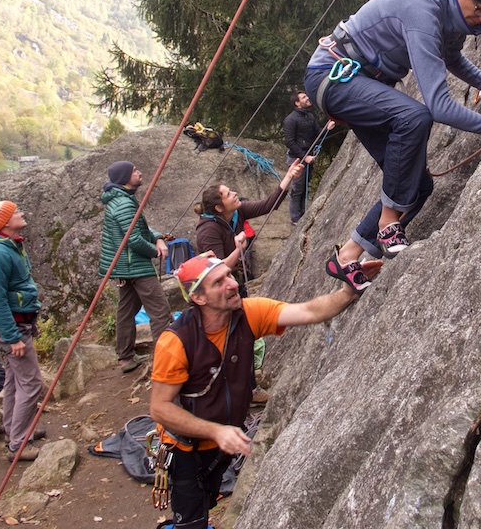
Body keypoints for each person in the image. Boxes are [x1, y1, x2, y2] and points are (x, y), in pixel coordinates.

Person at [304, 0, 481, 293]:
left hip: (363, 83)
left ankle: (347, 257)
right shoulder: (423, 9)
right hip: (332, 76)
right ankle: (388, 223)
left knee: (417, 185)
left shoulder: (456, 11)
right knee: (415, 117)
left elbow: (452, 57)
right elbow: (438, 106)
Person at [150, 252, 381, 529]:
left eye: (229, 275)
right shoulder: (176, 341)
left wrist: (349, 290)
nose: (233, 284)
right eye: (218, 282)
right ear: (198, 298)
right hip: (187, 447)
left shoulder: (248, 314)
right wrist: (216, 431)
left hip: (224, 442)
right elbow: (160, 407)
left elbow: (308, 311)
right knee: (191, 520)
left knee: (206, 503)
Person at [0, 201, 44, 461]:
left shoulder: (10, 246)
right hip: (12, 328)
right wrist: (12, 337)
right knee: (31, 383)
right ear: (4, 223)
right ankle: (19, 444)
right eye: (16, 213)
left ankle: (16, 432)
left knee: (14, 382)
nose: (22, 213)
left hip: (18, 324)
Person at [99, 160, 172, 373]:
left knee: (127, 309)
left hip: (125, 265)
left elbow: (139, 227)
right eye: (134, 171)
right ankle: (166, 359)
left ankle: (126, 357)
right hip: (134, 265)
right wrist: (156, 250)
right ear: (125, 178)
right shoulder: (124, 203)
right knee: (160, 310)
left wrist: (157, 237)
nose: (139, 172)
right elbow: (134, 239)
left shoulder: (122, 198)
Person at [193, 158, 304, 285]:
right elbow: (218, 268)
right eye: (228, 194)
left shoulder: (237, 211)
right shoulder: (208, 230)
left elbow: (269, 204)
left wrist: (289, 176)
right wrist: (239, 249)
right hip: (219, 284)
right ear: (219, 208)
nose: (235, 194)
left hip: (237, 275)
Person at [282, 90, 322, 225]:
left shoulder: (309, 116)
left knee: (305, 187)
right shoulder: (290, 120)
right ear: (297, 103)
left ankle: (302, 214)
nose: (307, 98)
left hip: (308, 157)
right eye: (304, 97)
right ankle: (295, 218)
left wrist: (328, 128)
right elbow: (290, 142)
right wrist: (305, 157)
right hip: (297, 158)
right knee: (297, 188)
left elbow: (318, 133)